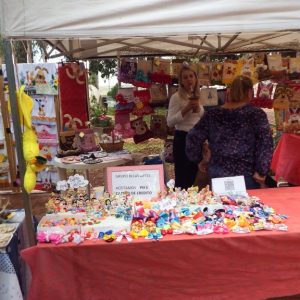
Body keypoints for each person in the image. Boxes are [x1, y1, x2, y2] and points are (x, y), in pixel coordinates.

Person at [186, 75, 273, 189]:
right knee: (248, 206)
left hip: (218, 173)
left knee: (220, 206)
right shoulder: (256, 114)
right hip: (247, 175)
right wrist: (261, 170)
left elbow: (193, 137)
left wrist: (199, 159)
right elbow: (265, 143)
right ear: (249, 92)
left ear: (230, 92)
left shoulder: (213, 114)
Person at [167, 63, 204, 189]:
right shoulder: (176, 98)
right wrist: (186, 109)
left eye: (191, 76)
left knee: (195, 174)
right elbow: (170, 122)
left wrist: (198, 108)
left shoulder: (198, 96)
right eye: (185, 77)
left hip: (196, 139)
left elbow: (200, 117)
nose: (189, 79)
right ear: (181, 81)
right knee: (183, 176)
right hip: (183, 138)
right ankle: (182, 203)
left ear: (195, 78)